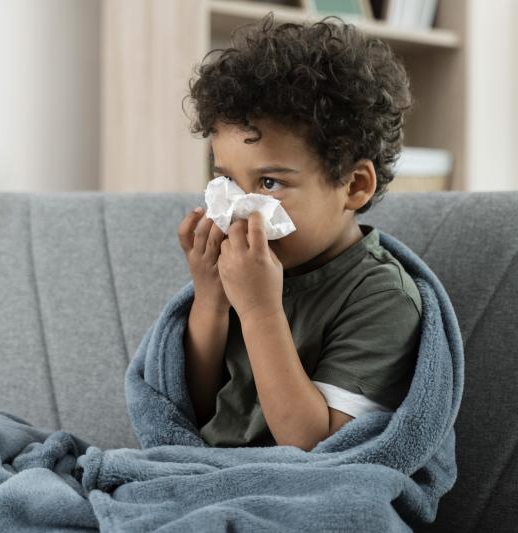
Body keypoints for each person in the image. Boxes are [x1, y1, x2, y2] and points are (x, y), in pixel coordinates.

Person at [177, 14, 421, 451]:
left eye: (270, 183)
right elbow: (192, 409)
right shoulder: (246, 267)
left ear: (355, 186)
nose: (240, 210)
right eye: (230, 183)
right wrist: (210, 298)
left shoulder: (381, 296)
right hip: (204, 470)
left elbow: (315, 445)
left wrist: (258, 312)